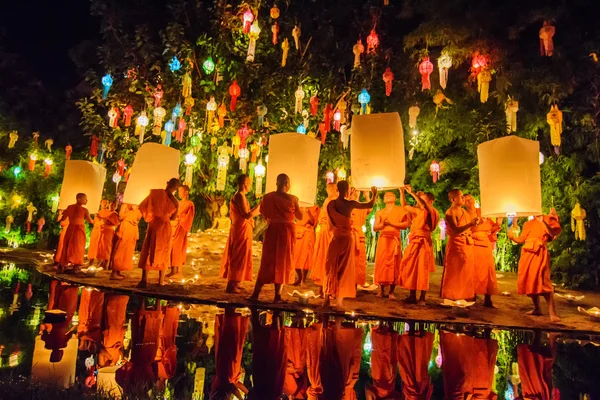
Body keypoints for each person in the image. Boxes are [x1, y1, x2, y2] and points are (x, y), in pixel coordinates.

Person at [323, 181, 377, 309]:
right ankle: (339, 303)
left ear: (337, 189)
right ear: (347, 190)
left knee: (330, 266)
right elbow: (369, 204)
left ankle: (326, 300)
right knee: (344, 268)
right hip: (346, 237)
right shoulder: (350, 204)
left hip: (336, 237)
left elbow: (330, 220)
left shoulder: (331, 204)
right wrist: (374, 195)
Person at [250, 174, 302, 303]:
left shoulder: (268, 197)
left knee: (268, 261)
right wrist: (298, 203)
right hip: (286, 232)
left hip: (272, 229)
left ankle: (256, 294)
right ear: (287, 184)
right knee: (282, 262)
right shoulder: (292, 199)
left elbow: (263, 213)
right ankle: (277, 296)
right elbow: (300, 217)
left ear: (276, 183)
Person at [508, 209, 562, 322]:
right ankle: (537, 308)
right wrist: (512, 233)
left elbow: (553, 233)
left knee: (544, 282)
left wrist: (543, 221)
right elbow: (521, 239)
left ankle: (553, 312)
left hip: (539, 254)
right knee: (530, 281)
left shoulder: (547, 219)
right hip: (527, 254)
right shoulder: (528, 224)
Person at [400, 186, 440, 304]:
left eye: (422, 199)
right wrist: (402, 193)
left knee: (423, 269)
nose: (419, 202)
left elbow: (424, 206)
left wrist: (413, 193)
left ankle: (422, 297)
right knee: (411, 267)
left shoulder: (432, 212)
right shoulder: (419, 212)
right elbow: (405, 206)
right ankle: (412, 295)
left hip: (424, 242)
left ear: (430, 201)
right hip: (414, 241)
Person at [137, 178, 180, 288]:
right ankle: (160, 281)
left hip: (154, 224)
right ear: (176, 188)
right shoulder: (175, 201)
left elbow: (143, 206)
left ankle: (144, 280)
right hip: (165, 226)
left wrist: (151, 216)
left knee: (149, 249)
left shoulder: (155, 194)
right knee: (164, 251)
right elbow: (174, 218)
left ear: (167, 183)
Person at [220, 174, 260, 293]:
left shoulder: (242, 196)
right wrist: (259, 208)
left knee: (242, 255)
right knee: (237, 256)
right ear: (244, 183)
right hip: (239, 229)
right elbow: (246, 214)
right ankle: (231, 284)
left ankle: (236, 281)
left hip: (243, 228)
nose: (250, 186)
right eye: (249, 183)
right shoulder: (239, 196)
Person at [440, 189, 480, 301]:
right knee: (456, 271)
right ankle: (453, 296)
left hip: (466, 243)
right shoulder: (450, 212)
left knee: (466, 270)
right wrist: (470, 224)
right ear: (453, 199)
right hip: (456, 244)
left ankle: (466, 295)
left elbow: (468, 226)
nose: (463, 198)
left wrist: (475, 223)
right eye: (461, 196)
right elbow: (455, 230)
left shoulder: (464, 211)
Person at [464, 194, 502, 307]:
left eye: (470, 199)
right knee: (473, 271)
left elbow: (492, 229)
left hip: (485, 244)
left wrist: (499, 223)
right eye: (465, 200)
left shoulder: (483, 212)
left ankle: (488, 298)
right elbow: (465, 229)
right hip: (472, 244)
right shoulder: (464, 215)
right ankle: (472, 295)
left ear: (474, 200)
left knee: (488, 271)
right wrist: (477, 225)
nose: (468, 202)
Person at [373, 191, 409, 299]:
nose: (388, 196)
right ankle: (382, 290)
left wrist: (392, 224)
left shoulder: (400, 210)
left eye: (391, 195)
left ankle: (391, 292)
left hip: (394, 238)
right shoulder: (380, 212)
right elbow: (375, 228)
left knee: (394, 263)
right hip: (383, 238)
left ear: (395, 198)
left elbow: (406, 224)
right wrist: (383, 224)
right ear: (383, 199)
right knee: (382, 263)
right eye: (386, 195)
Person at [248, 309, 287, 400]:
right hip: (267, 380)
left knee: (271, 345)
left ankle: (274, 315)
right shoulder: (274, 394)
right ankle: (256, 313)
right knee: (265, 344)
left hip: (266, 380)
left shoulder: (274, 393)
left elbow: (251, 395)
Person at [58, 193, 94, 273]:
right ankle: (75, 267)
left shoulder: (69, 207)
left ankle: (62, 266)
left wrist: (60, 217)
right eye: (85, 199)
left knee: (67, 245)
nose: (86, 201)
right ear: (79, 199)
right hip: (79, 229)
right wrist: (97, 221)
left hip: (70, 228)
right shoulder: (84, 210)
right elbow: (90, 220)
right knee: (78, 247)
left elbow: (63, 218)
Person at [311, 183, 338, 287]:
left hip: (331, 230)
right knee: (323, 255)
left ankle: (328, 284)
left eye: (330, 188)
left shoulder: (335, 200)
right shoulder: (328, 200)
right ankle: (323, 283)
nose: (328, 190)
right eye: (328, 188)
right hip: (324, 230)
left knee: (329, 256)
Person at [365, 323, 400, 399]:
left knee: (379, 353)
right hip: (389, 380)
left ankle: (380, 327)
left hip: (378, 377)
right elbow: (397, 395)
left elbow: (367, 388)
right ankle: (390, 328)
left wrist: (374, 396)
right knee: (390, 354)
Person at [168, 185, 195, 280]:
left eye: (181, 191)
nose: (179, 193)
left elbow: (188, 217)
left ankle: (179, 271)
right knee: (172, 248)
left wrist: (180, 218)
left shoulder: (189, 204)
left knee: (178, 248)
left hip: (181, 227)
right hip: (174, 227)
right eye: (178, 191)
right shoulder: (178, 203)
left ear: (186, 192)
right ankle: (173, 270)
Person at [110, 204, 142, 279]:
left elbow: (139, 217)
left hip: (132, 228)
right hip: (125, 227)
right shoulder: (125, 205)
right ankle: (114, 273)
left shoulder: (137, 206)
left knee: (127, 251)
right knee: (120, 249)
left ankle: (119, 271)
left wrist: (136, 211)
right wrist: (131, 211)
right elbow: (120, 217)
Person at [293, 205, 319, 286]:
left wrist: (308, 211)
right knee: (295, 256)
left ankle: (303, 280)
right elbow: (294, 218)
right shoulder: (297, 205)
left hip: (308, 233)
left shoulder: (315, 208)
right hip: (298, 231)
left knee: (306, 258)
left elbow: (313, 222)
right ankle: (299, 277)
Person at [350, 189, 372, 287]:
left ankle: (355, 283)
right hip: (348, 234)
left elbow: (369, 208)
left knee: (359, 261)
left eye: (358, 191)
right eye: (354, 190)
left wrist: (367, 196)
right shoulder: (346, 203)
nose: (356, 192)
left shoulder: (361, 206)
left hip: (358, 235)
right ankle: (345, 284)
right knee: (347, 260)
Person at [96, 201, 120, 269]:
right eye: (111, 205)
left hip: (109, 231)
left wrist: (103, 218)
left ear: (116, 207)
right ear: (109, 205)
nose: (112, 206)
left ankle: (106, 264)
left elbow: (115, 223)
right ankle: (101, 262)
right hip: (102, 231)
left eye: (114, 205)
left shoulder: (114, 213)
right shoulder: (106, 212)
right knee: (101, 246)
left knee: (107, 247)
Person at [87, 199, 108, 265]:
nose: (105, 204)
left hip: (102, 231)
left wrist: (100, 218)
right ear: (100, 203)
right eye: (104, 202)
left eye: (106, 203)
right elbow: (94, 222)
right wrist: (89, 217)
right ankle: (91, 260)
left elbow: (105, 222)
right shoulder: (97, 212)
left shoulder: (108, 212)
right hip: (95, 230)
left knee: (101, 246)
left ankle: (100, 262)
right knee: (93, 245)